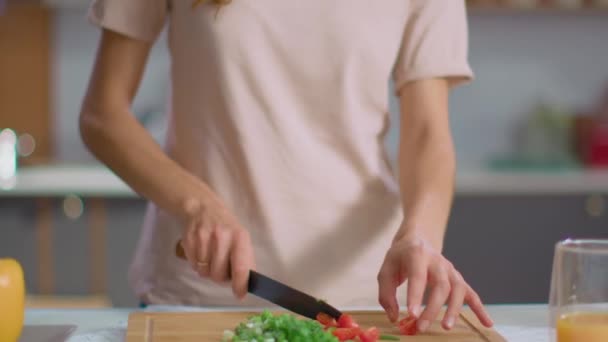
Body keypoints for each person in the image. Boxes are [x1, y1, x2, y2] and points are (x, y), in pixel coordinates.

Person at [80, 0, 493, 333]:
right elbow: (102, 115)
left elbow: (427, 136)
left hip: (362, 299)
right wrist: (197, 204)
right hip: (197, 297)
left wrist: (420, 234)